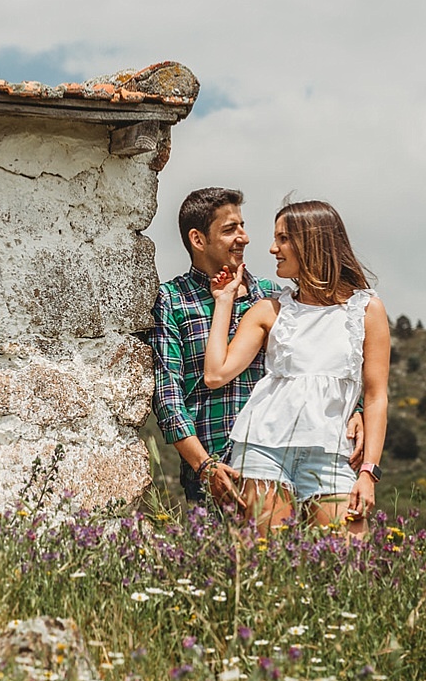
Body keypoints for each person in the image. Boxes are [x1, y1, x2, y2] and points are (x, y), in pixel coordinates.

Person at [150, 188, 363, 513]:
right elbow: (168, 397)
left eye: (243, 226)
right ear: (198, 239)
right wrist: (204, 466)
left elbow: (326, 357)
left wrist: (357, 408)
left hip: (286, 466)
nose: (245, 237)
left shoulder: (275, 296)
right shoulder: (172, 300)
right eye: (230, 229)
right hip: (218, 468)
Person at [203, 199, 389, 537]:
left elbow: (376, 397)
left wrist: (368, 472)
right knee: (264, 569)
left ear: (313, 241)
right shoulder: (269, 310)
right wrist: (224, 301)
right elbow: (216, 374)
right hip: (262, 450)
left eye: (283, 238)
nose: (273, 248)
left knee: (346, 568)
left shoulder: (367, 309)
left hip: (333, 455)